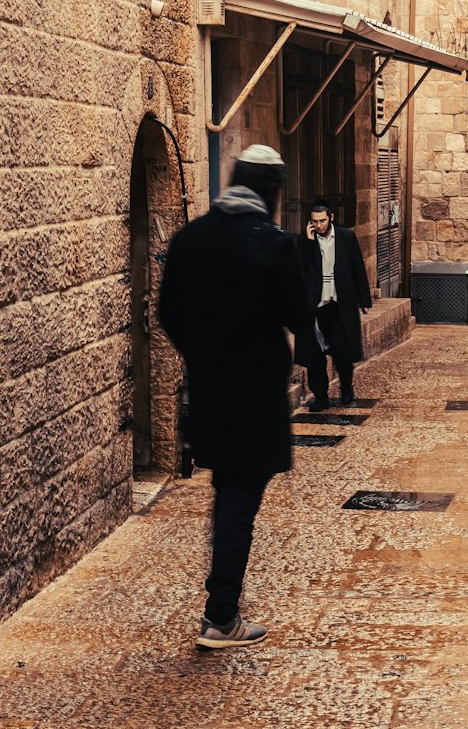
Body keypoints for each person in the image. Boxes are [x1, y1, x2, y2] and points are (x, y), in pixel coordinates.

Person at [159, 145, 308, 650]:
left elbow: (168, 313)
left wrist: (203, 353)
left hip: (210, 390)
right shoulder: (274, 243)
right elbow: (299, 315)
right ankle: (221, 616)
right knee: (239, 498)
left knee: (229, 492)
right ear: (272, 191)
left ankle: (222, 609)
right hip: (257, 396)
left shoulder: (191, 238)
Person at [296, 198, 372, 410]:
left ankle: (347, 391)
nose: (319, 225)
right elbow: (298, 269)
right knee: (315, 357)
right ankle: (320, 397)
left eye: (322, 220)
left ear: (331, 217)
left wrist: (364, 299)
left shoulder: (346, 237)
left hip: (339, 305)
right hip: (315, 308)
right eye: (314, 221)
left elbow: (358, 267)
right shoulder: (304, 241)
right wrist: (308, 242)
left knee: (343, 352)